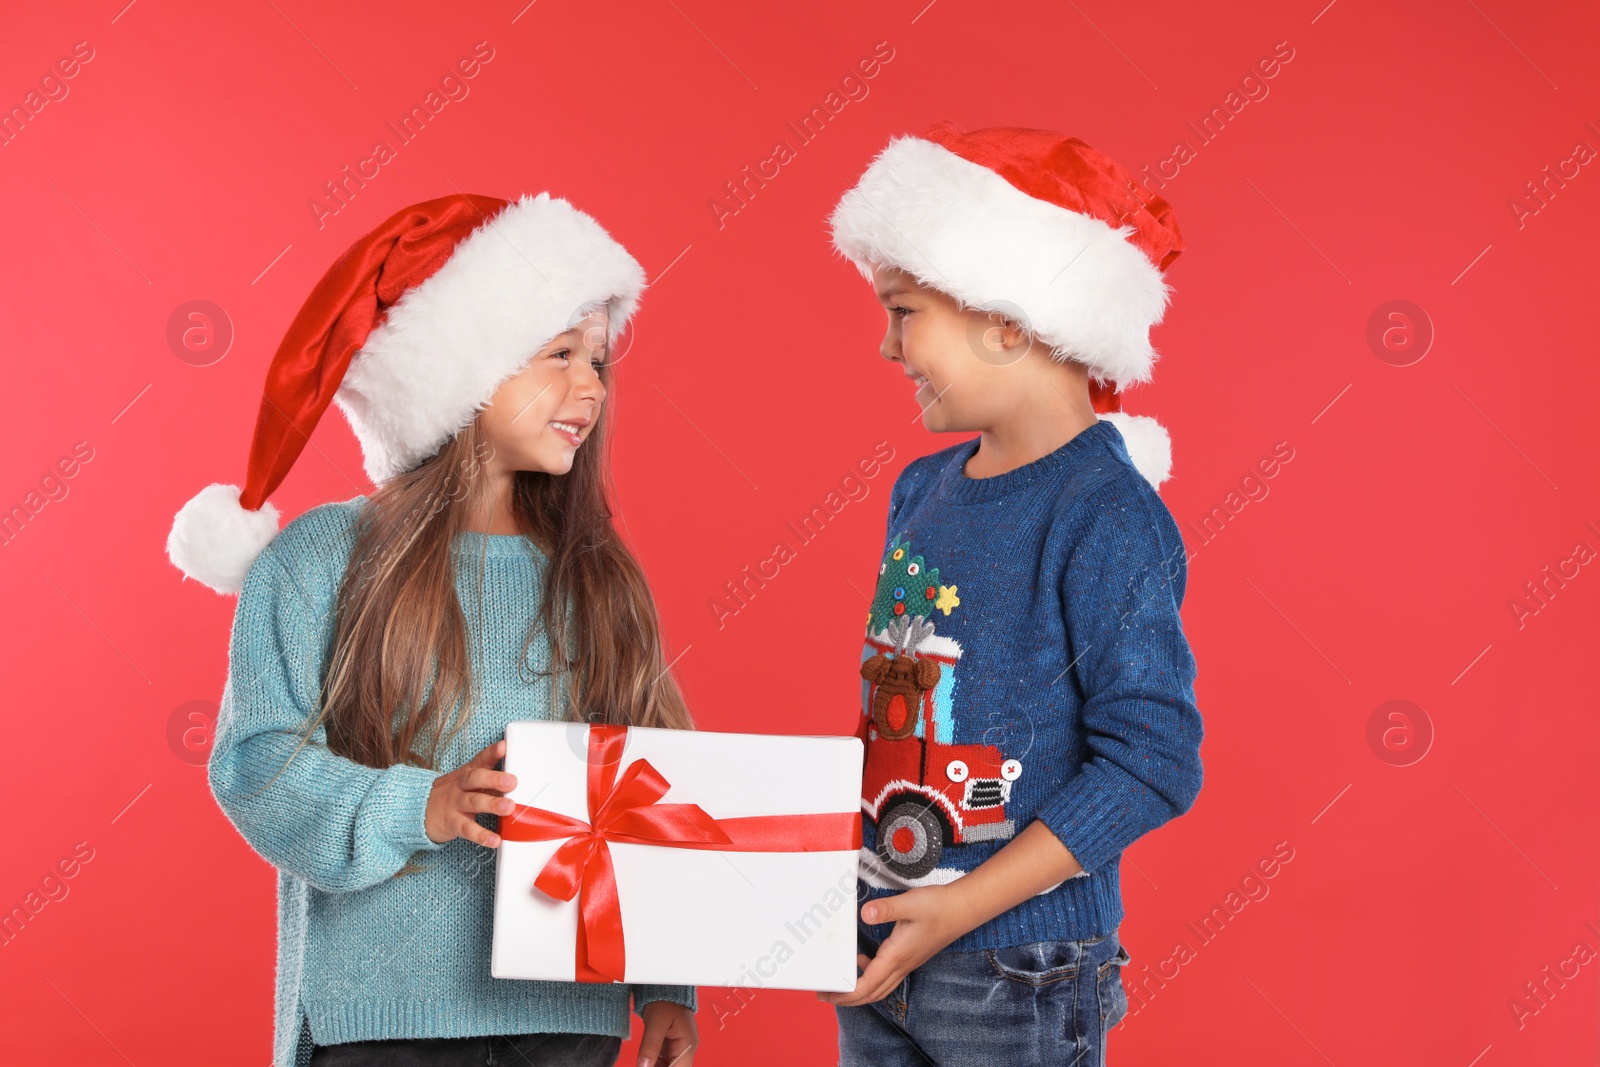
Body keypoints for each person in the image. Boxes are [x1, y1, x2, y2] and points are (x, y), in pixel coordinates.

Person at [166, 193, 698, 1067]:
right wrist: (420, 805)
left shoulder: (597, 574)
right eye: (559, 353)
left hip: (567, 1017)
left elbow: (652, 776)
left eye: (598, 359)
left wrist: (669, 982)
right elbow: (257, 761)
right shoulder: (317, 561)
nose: (591, 386)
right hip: (384, 1021)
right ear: (464, 369)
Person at [819, 123, 1206, 1066]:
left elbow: (1154, 760)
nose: (885, 345)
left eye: (902, 310)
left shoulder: (1106, 511)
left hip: (1016, 966)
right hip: (882, 938)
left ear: (1008, 314)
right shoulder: (921, 489)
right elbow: (890, 711)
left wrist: (960, 905)